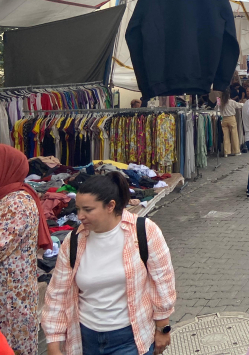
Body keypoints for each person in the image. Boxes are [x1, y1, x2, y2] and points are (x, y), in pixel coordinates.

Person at [42, 172, 176, 355]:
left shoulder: (144, 231)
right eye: (78, 209)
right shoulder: (73, 241)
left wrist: (162, 327)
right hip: (85, 341)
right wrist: (53, 342)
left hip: (130, 340)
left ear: (110, 206)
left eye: (88, 210)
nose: (80, 216)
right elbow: (57, 293)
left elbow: (163, 280)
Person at [1, 145, 53, 355]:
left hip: (10, 297)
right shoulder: (7, 197)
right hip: (10, 293)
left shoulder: (17, 202)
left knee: (11, 346)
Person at [218, 88, 242, 157]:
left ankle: (226, 152)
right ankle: (236, 151)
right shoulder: (232, 102)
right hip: (231, 118)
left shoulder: (220, 101)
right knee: (234, 135)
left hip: (224, 119)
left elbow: (216, 108)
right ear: (229, 95)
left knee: (225, 136)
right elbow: (239, 105)